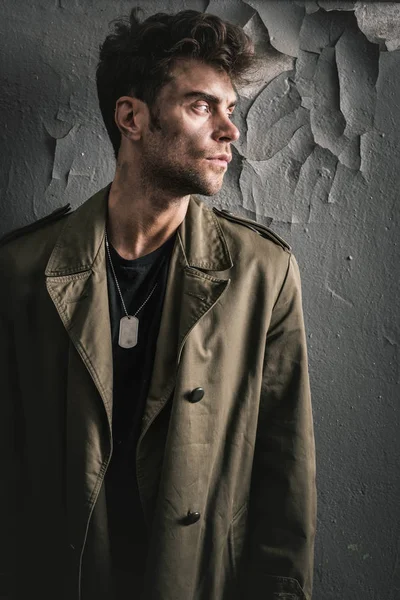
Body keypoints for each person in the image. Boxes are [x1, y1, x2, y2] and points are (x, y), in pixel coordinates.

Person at [0, 8, 316, 600]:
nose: (231, 130)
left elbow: (284, 472)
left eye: (231, 108)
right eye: (202, 106)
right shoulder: (21, 272)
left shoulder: (262, 274)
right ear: (132, 117)